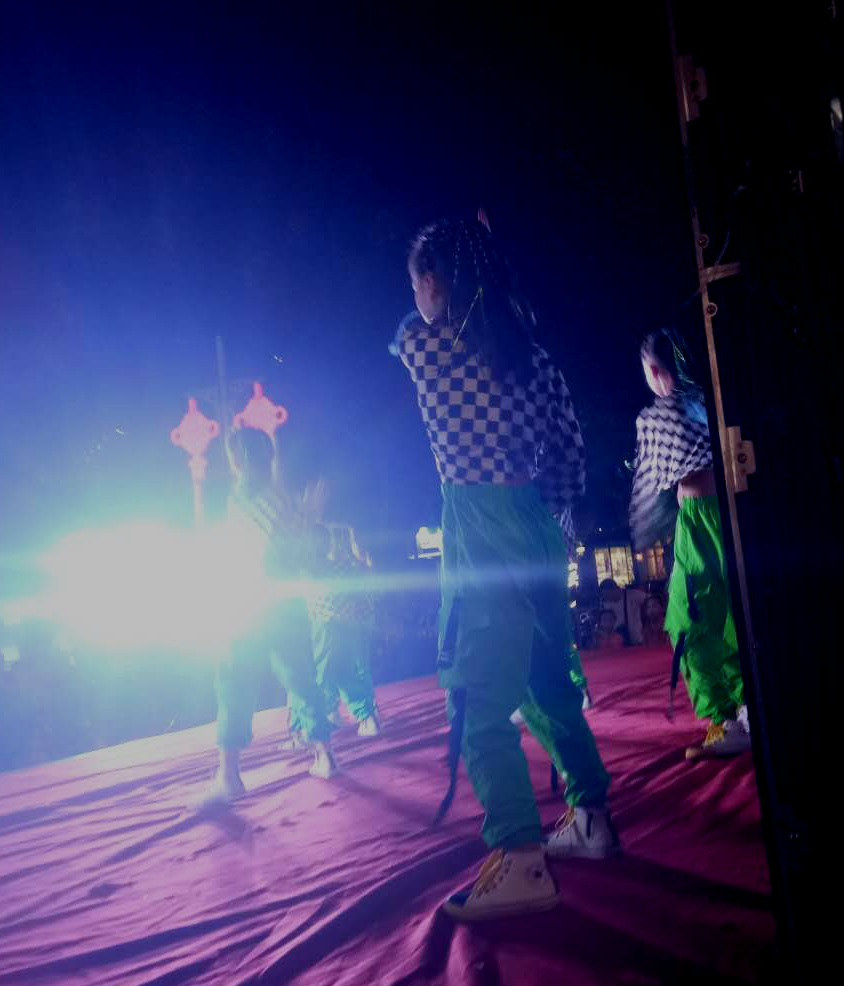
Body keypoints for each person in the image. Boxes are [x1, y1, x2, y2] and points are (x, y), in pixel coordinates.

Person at [396, 216, 619, 921]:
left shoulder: (426, 348)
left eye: (417, 281)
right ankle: (591, 818)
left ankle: (521, 856)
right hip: (534, 524)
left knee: (478, 698)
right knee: (548, 682)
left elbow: (412, 329)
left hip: (479, 528)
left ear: (433, 284)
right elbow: (571, 460)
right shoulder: (536, 359)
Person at [629, 328, 750, 759]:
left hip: (700, 520)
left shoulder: (659, 416)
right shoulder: (715, 400)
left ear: (655, 370)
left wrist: (643, 528)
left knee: (691, 618)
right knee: (735, 611)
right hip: (731, 513)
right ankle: (746, 708)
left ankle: (728, 717)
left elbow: (647, 488)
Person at [204, 426, 337, 802]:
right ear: (270, 458)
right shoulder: (287, 501)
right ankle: (325, 756)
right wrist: (308, 518)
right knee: (302, 679)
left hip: (246, 602)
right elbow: (304, 557)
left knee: (233, 685)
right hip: (285, 601)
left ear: (236, 459)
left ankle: (229, 775)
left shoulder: (230, 500)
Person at [293, 514, 384, 740]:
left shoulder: (307, 568)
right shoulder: (341, 566)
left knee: (320, 676)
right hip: (347, 626)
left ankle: (314, 727)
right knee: (347, 674)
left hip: (324, 627)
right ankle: (366, 719)